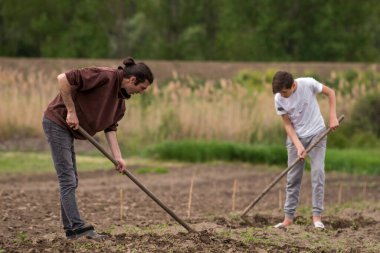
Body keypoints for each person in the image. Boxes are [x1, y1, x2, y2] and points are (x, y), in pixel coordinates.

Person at [42, 57, 154, 240]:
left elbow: (110, 128)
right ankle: (78, 228)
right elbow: (63, 78)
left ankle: (70, 228)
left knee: (71, 179)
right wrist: (70, 111)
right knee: (68, 180)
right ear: (133, 80)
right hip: (57, 122)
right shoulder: (105, 76)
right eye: (142, 88)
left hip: (69, 130)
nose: (141, 92)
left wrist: (118, 158)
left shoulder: (120, 104)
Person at [272, 71, 339, 229]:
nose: (282, 95)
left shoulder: (308, 83)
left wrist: (332, 116)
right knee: (293, 178)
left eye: (284, 92)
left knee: (318, 172)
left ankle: (317, 217)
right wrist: (298, 145)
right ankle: (288, 219)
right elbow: (287, 124)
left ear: (293, 85)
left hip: (317, 133)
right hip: (296, 137)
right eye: (280, 93)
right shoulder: (278, 98)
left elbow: (331, 92)